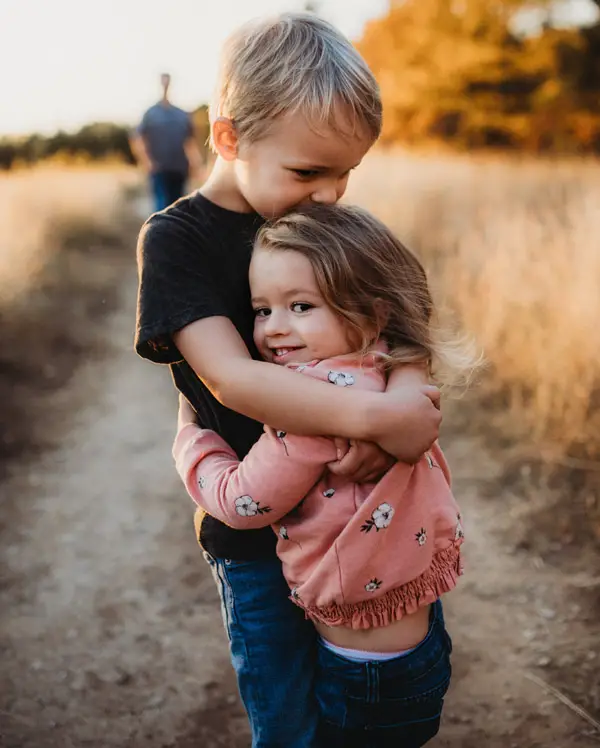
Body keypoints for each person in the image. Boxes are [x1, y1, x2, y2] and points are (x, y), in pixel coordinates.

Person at [135, 13, 442, 748]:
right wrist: (368, 421)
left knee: (382, 695)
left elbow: (402, 311)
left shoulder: (328, 223)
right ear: (229, 137)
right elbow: (233, 377)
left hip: (369, 518)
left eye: (347, 173)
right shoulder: (178, 239)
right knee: (288, 715)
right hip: (256, 539)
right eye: (309, 171)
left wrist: (407, 392)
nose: (331, 193)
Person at [173, 204, 471, 747]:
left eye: (302, 306)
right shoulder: (382, 362)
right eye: (262, 310)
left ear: (372, 313)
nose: (275, 329)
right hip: (417, 644)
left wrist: (193, 439)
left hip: (364, 675)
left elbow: (242, 502)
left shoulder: (310, 413)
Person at [130, 73, 203, 212]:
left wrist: (196, 164)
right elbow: (138, 138)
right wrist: (146, 161)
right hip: (159, 169)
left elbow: (190, 142)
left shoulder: (181, 114)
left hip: (179, 168)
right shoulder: (150, 114)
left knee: (177, 208)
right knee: (162, 207)